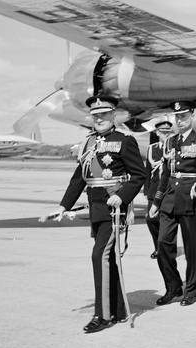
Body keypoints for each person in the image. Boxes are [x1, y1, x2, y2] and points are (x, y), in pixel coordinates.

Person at [41, 95, 145, 333]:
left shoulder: (124, 141)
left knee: (99, 256)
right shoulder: (87, 143)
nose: (99, 118)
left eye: (104, 114)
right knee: (107, 259)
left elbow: (139, 175)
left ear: (113, 115)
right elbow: (80, 178)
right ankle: (118, 309)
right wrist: (63, 206)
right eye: (95, 115)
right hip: (95, 209)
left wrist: (123, 196)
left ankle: (103, 315)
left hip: (114, 211)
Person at [149, 100, 196, 307]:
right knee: (163, 244)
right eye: (177, 117)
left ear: (193, 116)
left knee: (192, 249)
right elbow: (165, 174)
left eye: (184, 116)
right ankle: (173, 286)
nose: (181, 120)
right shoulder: (170, 142)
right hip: (169, 199)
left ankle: (191, 290)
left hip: (191, 199)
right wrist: (156, 201)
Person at [144, 118, 174, 259]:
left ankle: (166, 249)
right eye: (163, 132)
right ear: (157, 133)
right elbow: (148, 170)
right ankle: (158, 246)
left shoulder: (174, 147)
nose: (166, 134)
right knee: (151, 219)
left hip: (169, 189)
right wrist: (146, 190)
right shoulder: (152, 148)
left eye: (168, 132)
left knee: (167, 220)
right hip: (154, 188)